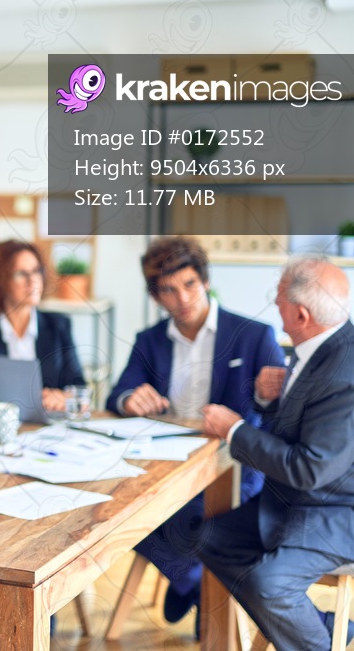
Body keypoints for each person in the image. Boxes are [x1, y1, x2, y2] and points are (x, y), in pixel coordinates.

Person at [105, 236, 284, 634]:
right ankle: (194, 586)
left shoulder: (254, 335)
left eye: (189, 284)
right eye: (169, 290)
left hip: (231, 468)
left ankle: (187, 582)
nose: (182, 298)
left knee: (185, 519)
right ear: (156, 296)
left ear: (205, 281)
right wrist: (129, 399)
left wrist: (263, 396)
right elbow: (116, 394)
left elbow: (280, 413)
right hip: (163, 465)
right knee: (114, 514)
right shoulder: (150, 340)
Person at [199, 256, 354, 651]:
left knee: (269, 586)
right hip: (296, 499)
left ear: (301, 314)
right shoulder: (322, 344)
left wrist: (234, 429)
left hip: (337, 511)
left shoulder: (344, 373)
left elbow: (309, 468)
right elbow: (308, 425)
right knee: (208, 538)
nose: (274, 302)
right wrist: (271, 399)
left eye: (278, 296)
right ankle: (323, 627)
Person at [0, 240, 84, 412]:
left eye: (37, 271)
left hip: (48, 422)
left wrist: (63, 397)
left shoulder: (59, 325)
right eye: (21, 274)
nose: (33, 280)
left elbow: (79, 388)